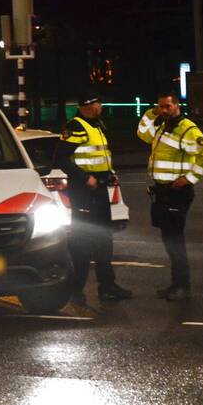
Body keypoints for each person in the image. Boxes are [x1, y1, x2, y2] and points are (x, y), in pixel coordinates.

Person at [137, 90, 203, 301]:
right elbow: (142, 133)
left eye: (167, 106)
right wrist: (152, 113)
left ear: (177, 106)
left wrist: (189, 178)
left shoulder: (186, 129)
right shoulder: (163, 126)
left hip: (177, 192)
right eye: (160, 106)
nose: (163, 110)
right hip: (163, 192)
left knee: (175, 241)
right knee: (169, 240)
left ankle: (182, 286)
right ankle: (176, 284)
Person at [56, 96, 132, 305]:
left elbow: (99, 157)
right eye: (98, 104)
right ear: (89, 106)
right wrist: (85, 178)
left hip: (99, 189)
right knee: (82, 243)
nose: (102, 107)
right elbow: (60, 159)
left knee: (104, 239)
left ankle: (107, 286)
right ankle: (75, 289)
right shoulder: (76, 127)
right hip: (84, 193)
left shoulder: (96, 126)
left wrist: (108, 174)